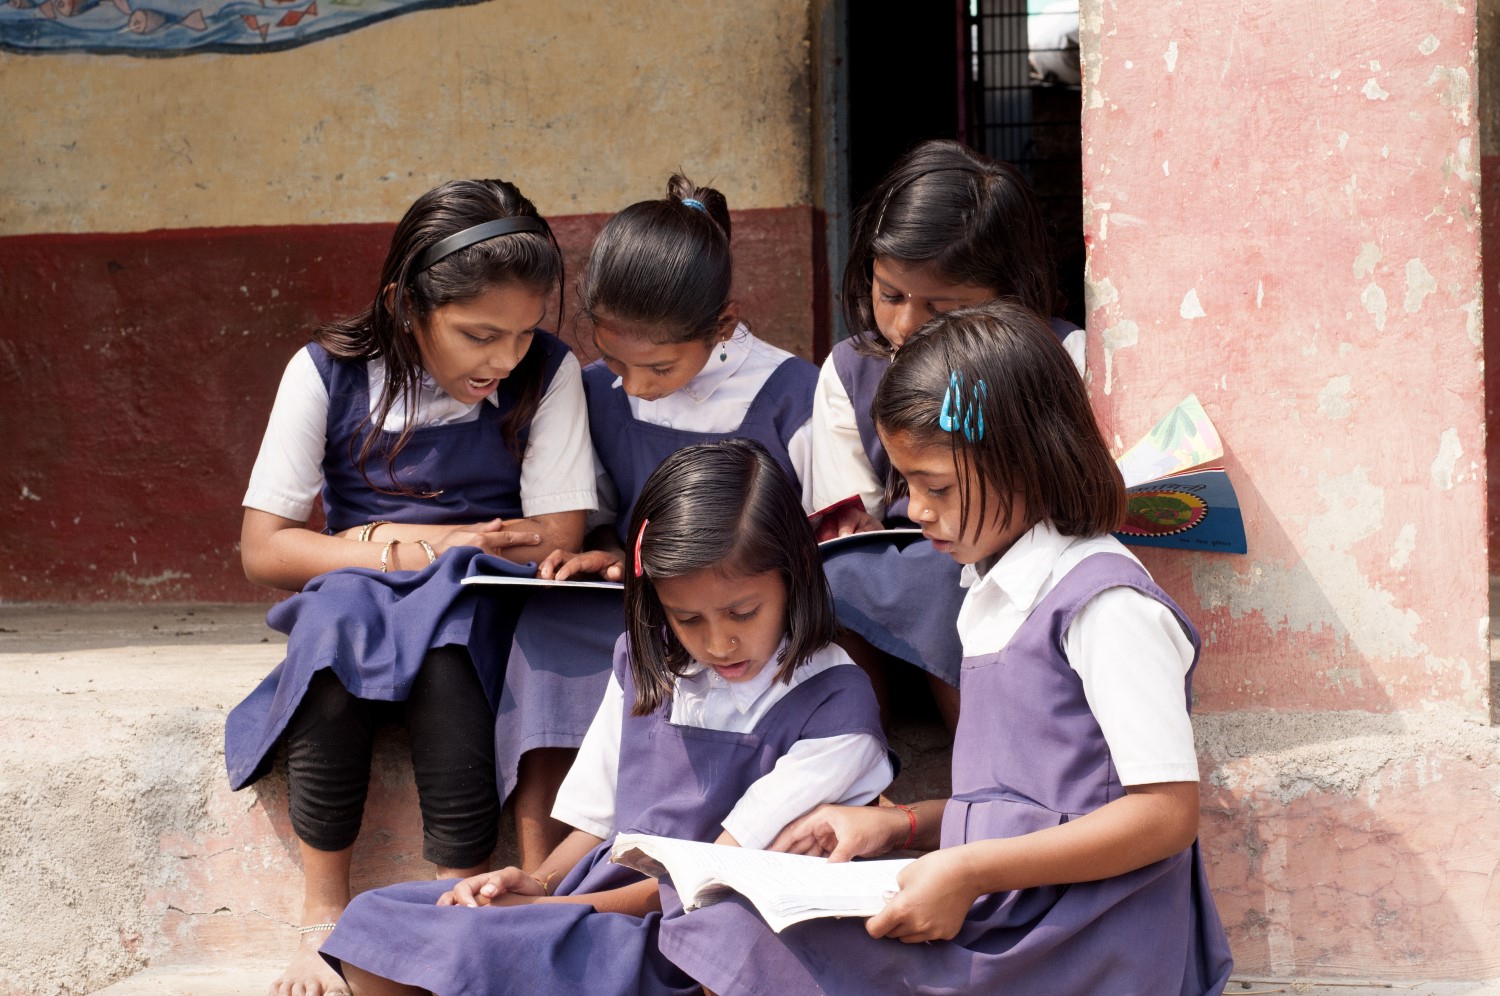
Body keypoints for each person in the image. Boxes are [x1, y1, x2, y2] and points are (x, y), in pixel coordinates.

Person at [659, 303, 1233, 994]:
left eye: (939, 486)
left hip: (1082, 940)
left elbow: (1165, 815)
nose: (917, 510)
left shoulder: (1106, 605)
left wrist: (964, 871)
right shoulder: (991, 591)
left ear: (1029, 462)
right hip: (1008, 912)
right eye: (905, 484)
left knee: (748, 940)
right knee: (725, 917)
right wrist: (899, 825)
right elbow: (1022, 804)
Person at [319, 439, 894, 996]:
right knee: (373, 923)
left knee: (487, 945)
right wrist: (535, 880)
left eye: (742, 612)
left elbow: (707, 880)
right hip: (597, 895)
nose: (718, 643)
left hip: (686, 930)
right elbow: (596, 824)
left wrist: (548, 910)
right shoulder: (649, 665)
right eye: (687, 618)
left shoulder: (834, 703)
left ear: (794, 577)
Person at [225, 179, 597, 996]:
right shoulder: (325, 371)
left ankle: (452, 895)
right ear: (404, 305)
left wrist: (381, 542)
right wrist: (417, 544)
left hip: (480, 589)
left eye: (523, 333)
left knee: (449, 644)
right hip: (357, 582)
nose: (503, 358)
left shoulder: (547, 374)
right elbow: (264, 548)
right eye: (478, 334)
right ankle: (323, 909)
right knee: (333, 633)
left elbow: (555, 536)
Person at [493, 174, 821, 863]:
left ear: (724, 325)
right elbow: (601, 509)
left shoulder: (790, 392)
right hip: (644, 601)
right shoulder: (593, 390)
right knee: (548, 626)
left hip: (745, 612)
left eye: (659, 365)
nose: (632, 384)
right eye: (614, 359)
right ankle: (536, 870)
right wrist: (606, 549)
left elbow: (830, 529)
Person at [812, 139, 1086, 730]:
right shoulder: (851, 369)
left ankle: (987, 759)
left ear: (1007, 292)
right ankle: (864, 759)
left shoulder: (1066, 357)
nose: (907, 324)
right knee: (829, 575)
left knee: (953, 573)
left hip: (1035, 558)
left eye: (942, 306)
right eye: (890, 295)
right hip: (913, 559)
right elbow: (851, 522)